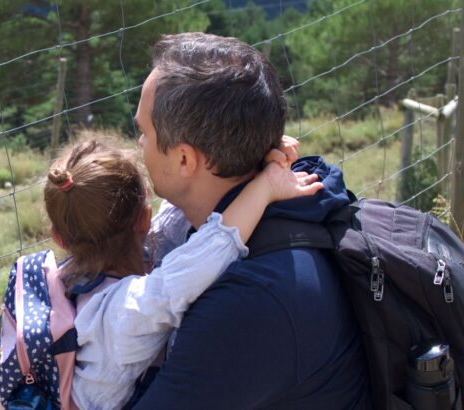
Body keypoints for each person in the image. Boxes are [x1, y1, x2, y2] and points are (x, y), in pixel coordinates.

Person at [113, 32, 370, 408]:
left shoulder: (251, 299)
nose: (139, 144)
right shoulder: (281, 210)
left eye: (144, 132)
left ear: (185, 160)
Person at [42, 138, 322, 409]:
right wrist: (265, 186)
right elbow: (207, 253)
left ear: (59, 239)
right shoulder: (123, 313)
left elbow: (179, 213)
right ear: (144, 217)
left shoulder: (73, 279)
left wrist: (252, 154)